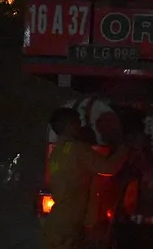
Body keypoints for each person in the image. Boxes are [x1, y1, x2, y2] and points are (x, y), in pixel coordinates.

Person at [42, 107, 131, 249]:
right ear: (70, 125)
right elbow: (108, 168)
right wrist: (125, 148)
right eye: (78, 122)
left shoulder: (56, 153)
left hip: (57, 224)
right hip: (70, 226)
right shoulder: (78, 149)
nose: (81, 126)